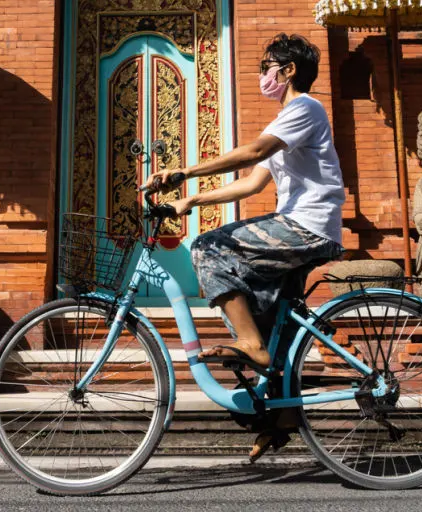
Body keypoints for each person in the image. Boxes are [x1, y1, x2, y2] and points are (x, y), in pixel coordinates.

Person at [146, 33, 345, 369]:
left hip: (308, 224)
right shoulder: (285, 121)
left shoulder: (305, 108)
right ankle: (281, 410)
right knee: (269, 317)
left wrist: (185, 171)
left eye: (267, 67)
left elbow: (254, 152)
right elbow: (252, 184)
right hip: (303, 225)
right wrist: (191, 200)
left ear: (289, 70)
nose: (262, 76)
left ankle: (249, 343)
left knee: (208, 247)